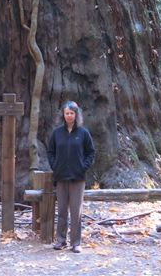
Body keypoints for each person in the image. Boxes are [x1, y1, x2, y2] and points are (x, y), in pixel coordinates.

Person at [47, 100, 95, 254]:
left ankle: (76, 243)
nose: (69, 116)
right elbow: (50, 152)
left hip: (77, 178)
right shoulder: (56, 133)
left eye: (71, 113)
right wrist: (55, 166)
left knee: (76, 212)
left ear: (76, 114)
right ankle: (61, 241)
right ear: (63, 114)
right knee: (61, 211)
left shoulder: (83, 133)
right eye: (66, 113)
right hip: (61, 177)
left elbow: (91, 152)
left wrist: (83, 167)